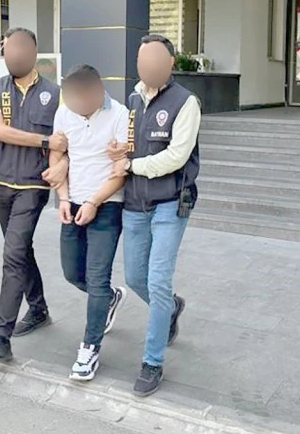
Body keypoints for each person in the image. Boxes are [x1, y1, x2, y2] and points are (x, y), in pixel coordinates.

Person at [109, 34, 201, 397]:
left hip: (170, 202)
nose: (147, 66)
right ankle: (171, 308)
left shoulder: (185, 102)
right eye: (142, 60)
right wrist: (118, 151)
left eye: (155, 60)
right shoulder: (132, 99)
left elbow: (177, 156)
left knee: (158, 280)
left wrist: (132, 165)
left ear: (170, 63)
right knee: (135, 277)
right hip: (135, 202)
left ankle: (152, 362)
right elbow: (128, 144)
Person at [0, 27, 68, 362]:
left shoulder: (56, 95)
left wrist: (62, 166)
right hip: (1, 184)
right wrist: (44, 141)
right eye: (7, 49)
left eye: (19, 48)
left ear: (33, 52)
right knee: (20, 250)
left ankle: (0, 338)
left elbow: (65, 139)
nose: (13, 54)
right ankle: (39, 308)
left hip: (33, 185)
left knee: (13, 254)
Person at [50, 64, 129, 381]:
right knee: (72, 273)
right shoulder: (64, 112)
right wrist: (63, 198)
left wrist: (95, 202)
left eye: (82, 99)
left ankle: (89, 349)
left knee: (96, 277)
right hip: (72, 202)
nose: (76, 105)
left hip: (107, 205)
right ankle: (109, 298)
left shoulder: (119, 115)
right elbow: (58, 155)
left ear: (98, 91)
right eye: (71, 99)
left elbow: (120, 171)